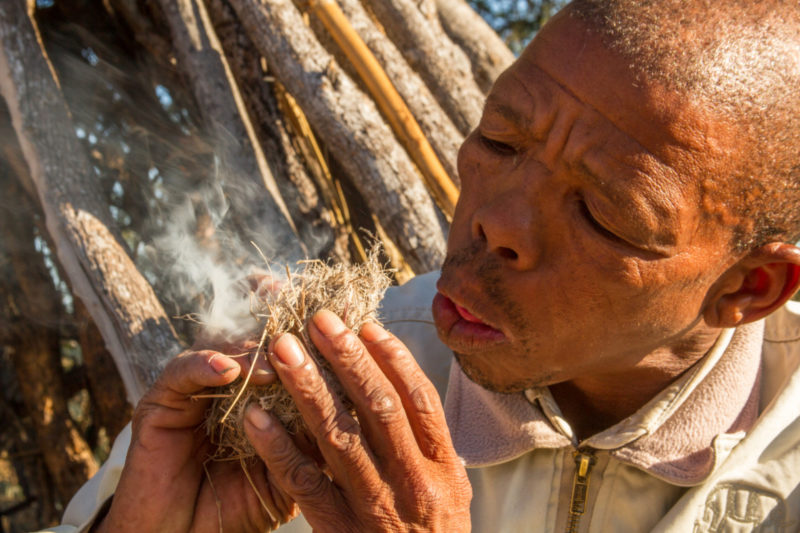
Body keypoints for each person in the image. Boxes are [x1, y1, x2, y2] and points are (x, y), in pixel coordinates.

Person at [47, 0, 800, 531]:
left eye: (603, 213)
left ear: (748, 287)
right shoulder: (314, 393)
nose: (497, 220)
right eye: (502, 140)